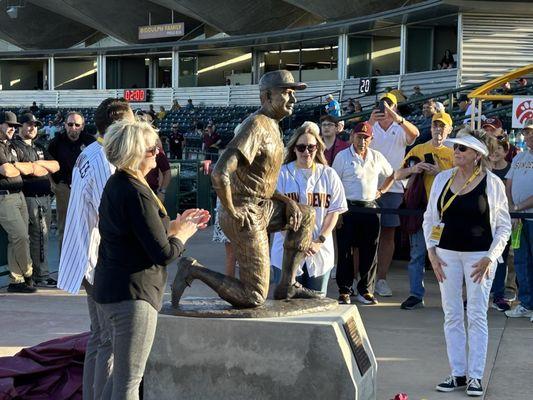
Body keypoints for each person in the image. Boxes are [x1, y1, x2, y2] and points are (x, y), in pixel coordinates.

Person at [173, 70, 321, 308]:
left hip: (262, 205)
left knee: (305, 214)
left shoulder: (273, 125)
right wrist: (232, 210)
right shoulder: (256, 125)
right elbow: (220, 172)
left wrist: (287, 201)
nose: (293, 99)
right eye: (286, 92)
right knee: (253, 297)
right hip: (244, 212)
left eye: (293, 93)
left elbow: (260, 183)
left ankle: (287, 285)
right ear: (266, 96)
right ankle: (193, 269)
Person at [93, 119, 209, 399]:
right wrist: (184, 234)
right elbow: (163, 253)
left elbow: (136, 234)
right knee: (129, 383)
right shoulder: (136, 192)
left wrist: (174, 227)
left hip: (114, 289)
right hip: (133, 294)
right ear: (135, 153)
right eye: (152, 149)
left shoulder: (119, 183)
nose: (158, 152)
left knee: (121, 378)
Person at [57, 98, 135, 400]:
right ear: (119, 127)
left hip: (86, 255)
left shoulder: (90, 150)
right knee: (109, 341)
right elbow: (113, 217)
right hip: (98, 259)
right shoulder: (104, 159)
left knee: (99, 337)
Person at [423, 128, 511, 396]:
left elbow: (504, 227)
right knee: (451, 314)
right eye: (456, 148)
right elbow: (430, 218)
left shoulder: (492, 183)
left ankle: (475, 376)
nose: (456, 152)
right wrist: (432, 252)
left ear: (477, 155)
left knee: (476, 315)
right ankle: (457, 373)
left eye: (462, 149)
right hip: (446, 255)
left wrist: (489, 257)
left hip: (479, 258)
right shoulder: (442, 179)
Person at [271, 122, 347, 294]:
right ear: (294, 149)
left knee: (316, 306)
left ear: (318, 148)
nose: (306, 152)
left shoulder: (328, 174)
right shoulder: (282, 174)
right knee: (285, 306)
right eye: (301, 147)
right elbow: (276, 214)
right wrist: (297, 244)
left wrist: (319, 241)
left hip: (319, 251)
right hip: (285, 251)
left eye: (311, 147)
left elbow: (334, 212)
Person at [394, 112, 454, 310]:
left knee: (447, 257)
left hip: (446, 213)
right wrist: (415, 168)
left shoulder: (455, 153)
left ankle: (450, 297)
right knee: (418, 254)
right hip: (421, 211)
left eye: (442, 126)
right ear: (430, 128)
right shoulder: (419, 149)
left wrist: (440, 173)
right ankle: (415, 295)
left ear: (449, 130)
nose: (438, 129)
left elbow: (465, 179)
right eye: (435, 125)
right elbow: (398, 174)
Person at [332, 122, 394, 304]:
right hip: (348, 208)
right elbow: (334, 185)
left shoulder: (376, 157)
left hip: (370, 208)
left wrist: (381, 191)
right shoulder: (342, 157)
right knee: (345, 251)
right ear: (352, 136)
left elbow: (392, 174)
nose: (362, 141)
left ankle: (365, 290)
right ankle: (344, 290)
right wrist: (337, 213)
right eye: (359, 137)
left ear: (371, 139)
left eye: (366, 138)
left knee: (370, 250)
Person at [368, 92, 420, 297]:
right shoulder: (370, 124)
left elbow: (414, 135)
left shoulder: (400, 128)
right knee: (366, 236)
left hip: (394, 188)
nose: (385, 109)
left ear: (396, 108)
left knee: (388, 235)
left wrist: (398, 118)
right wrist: (371, 121)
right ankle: (361, 278)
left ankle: (381, 278)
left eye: (390, 105)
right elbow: (357, 140)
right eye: (382, 105)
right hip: (368, 189)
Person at [13, 113, 60, 288]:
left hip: (44, 198)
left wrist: (36, 167)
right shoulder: (14, 146)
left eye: (35, 125)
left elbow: (55, 166)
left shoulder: (39, 146)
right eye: (28, 124)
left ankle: (41, 274)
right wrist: (37, 166)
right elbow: (19, 169)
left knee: (42, 237)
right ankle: (32, 275)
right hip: (27, 198)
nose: (32, 127)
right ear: (20, 126)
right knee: (29, 238)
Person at [47, 111, 95, 253]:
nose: (73, 127)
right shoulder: (56, 142)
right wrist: (54, 185)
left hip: (87, 188)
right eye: (70, 124)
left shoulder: (90, 141)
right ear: (65, 125)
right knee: (66, 226)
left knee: (88, 224)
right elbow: (48, 165)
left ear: (82, 126)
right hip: (65, 187)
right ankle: (65, 263)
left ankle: (84, 262)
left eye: (77, 124)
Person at [0, 112, 36, 293]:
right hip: (4, 196)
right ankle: (28, 272)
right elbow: (6, 170)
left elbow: (24, 168)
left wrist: (18, 167)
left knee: (19, 239)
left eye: (15, 126)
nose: (13, 128)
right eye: (9, 125)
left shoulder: (9, 145)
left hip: (19, 194)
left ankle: (16, 280)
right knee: (20, 236)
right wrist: (20, 167)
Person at [504, 119, 533, 320]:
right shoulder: (519, 157)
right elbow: (508, 183)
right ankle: (526, 303)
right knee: (522, 261)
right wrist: (512, 210)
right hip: (519, 219)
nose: (529, 135)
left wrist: (517, 208)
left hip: (529, 217)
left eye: (532, 132)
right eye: (526, 132)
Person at [487, 136, 512, 311]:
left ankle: (499, 295)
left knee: (500, 258)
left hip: (502, 220)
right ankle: (474, 295)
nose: (495, 152)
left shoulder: (510, 170)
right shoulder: (482, 169)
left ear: (506, 151)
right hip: (483, 221)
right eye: (492, 149)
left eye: (499, 149)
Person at [145, 138, 171, 202]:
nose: (156, 151)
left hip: (152, 191)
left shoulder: (158, 152)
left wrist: (162, 191)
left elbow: (167, 172)